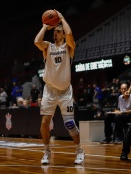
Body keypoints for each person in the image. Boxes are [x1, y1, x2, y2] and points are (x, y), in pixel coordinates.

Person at [34, 9, 85, 165]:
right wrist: (45, 27)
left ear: (62, 34)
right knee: (44, 122)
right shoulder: (47, 47)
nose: (55, 33)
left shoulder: (68, 47)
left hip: (65, 92)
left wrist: (61, 19)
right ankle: (47, 152)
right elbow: (36, 41)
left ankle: (79, 151)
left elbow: (70, 36)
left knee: (69, 124)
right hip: (49, 91)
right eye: (54, 32)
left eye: (58, 32)